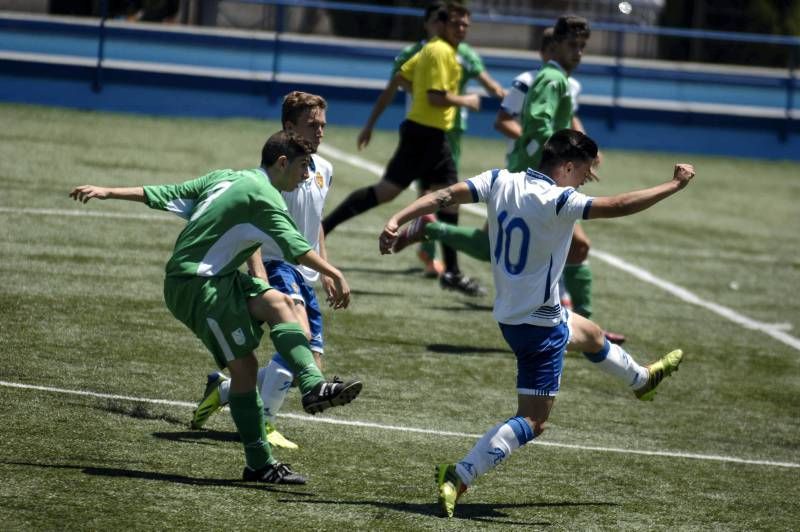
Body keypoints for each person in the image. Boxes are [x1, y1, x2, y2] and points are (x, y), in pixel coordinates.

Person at [378, 129, 694, 517]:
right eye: (584, 172)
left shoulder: (500, 180)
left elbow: (444, 195)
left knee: (592, 335)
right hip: (539, 326)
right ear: (566, 166)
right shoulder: (559, 200)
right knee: (533, 419)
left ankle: (642, 381)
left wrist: (397, 217)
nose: (586, 180)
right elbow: (620, 205)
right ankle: (459, 474)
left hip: (513, 312)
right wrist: (674, 185)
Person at [69, 130, 363, 485]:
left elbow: (167, 193)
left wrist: (108, 191)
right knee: (245, 368)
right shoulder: (265, 197)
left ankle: (312, 386)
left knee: (282, 305)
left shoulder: (227, 177)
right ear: (282, 162)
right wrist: (334, 272)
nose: (305, 176)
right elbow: (297, 248)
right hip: (196, 286)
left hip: (221, 278)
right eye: (303, 167)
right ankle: (259, 462)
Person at [189, 91, 336, 451]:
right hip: (278, 264)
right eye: (311, 125)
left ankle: (223, 389)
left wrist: (328, 269)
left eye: (322, 125)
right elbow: (253, 230)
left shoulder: (324, 169)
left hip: (306, 270)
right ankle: (263, 424)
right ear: (289, 126)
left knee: (311, 361)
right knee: (297, 345)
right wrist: (260, 276)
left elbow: (314, 222)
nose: (319, 131)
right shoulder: (279, 172)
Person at [322, 2, 486, 296]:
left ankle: (451, 271)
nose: (461, 29)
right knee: (390, 192)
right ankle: (324, 226)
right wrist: (467, 100)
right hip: (424, 135)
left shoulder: (435, 50)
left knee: (448, 198)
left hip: (431, 135)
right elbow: (435, 98)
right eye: (456, 24)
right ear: (443, 24)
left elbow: (400, 80)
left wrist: (371, 124)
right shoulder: (439, 52)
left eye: (466, 25)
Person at [357, 1, 505, 279]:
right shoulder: (419, 52)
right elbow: (400, 89)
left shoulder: (464, 54)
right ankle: (437, 256)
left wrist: (506, 97)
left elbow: (488, 82)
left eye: (464, 25)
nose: (457, 28)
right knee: (439, 193)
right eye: (449, 22)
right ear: (431, 23)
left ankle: (435, 254)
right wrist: (371, 123)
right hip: (425, 126)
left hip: (452, 130)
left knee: (440, 193)